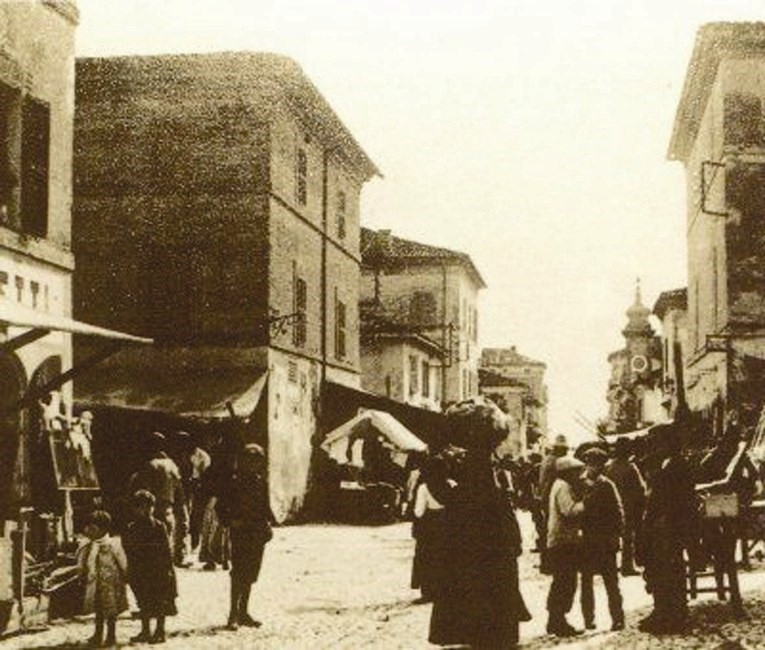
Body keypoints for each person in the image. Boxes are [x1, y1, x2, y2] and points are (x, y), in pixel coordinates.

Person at [429, 397, 530, 648]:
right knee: (494, 599)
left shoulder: (465, 482)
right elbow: (506, 518)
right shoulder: (489, 478)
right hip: (495, 555)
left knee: (472, 594)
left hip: (471, 554)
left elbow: (445, 497)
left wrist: (434, 471)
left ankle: (476, 632)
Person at [639, 424, 697, 634]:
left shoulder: (679, 466)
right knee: (659, 571)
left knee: (670, 571)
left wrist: (663, 520)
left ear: (669, 443)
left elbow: (681, 501)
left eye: (657, 443)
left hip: (671, 528)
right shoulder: (666, 464)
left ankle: (674, 615)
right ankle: (662, 610)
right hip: (662, 527)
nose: (654, 447)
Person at [217, 443, 273, 630]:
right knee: (238, 572)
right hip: (240, 533)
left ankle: (244, 612)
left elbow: (265, 507)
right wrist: (230, 522)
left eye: (256, 461)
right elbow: (220, 507)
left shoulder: (260, 482)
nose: (253, 464)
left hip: (257, 532)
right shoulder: (233, 482)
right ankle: (233, 613)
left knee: (250, 573)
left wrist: (268, 524)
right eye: (249, 460)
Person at [123, 490, 178, 644]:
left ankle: (160, 631)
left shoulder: (159, 526)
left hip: (158, 570)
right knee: (143, 602)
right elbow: (128, 550)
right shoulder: (131, 528)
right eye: (141, 507)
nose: (146, 510)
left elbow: (167, 549)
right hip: (140, 570)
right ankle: (145, 630)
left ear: (153, 508)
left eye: (149, 507)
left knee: (160, 602)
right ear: (135, 509)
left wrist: (168, 570)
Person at [580, 447, 625, 631]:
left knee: (611, 583)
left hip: (605, 540)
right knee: (586, 583)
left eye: (598, 464)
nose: (594, 467)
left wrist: (617, 535)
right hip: (587, 540)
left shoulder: (607, 485)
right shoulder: (579, 484)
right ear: (587, 463)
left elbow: (618, 511)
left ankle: (618, 618)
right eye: (591, 463)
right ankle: (588, 619)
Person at [129, 432, 188, 567]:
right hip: (168, 509)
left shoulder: (150, 466)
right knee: (166, 540)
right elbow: (179, 492)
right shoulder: (172, 465)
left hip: (153, 510)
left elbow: (143, 492)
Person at [546, 456, 585, 637]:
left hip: (561, 540)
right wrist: (587, 502)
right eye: (576, 471)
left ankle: (554, 620)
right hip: (563, 541)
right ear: (568, 472)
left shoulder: (559, 484)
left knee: (561, 581)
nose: (579, 474)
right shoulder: (563, 486)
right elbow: (569, 511)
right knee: (565, 582)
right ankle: (558, 621)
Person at [76, 510, 128, 647]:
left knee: (111, 611)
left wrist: (125, 575)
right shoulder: (88, 545)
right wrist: (81, 574)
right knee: (98, 609)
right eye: (88, 528)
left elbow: (122, 561)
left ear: (103, 529)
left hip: (111, 583)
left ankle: (111, 636)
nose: (89, 531)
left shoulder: (113, 545)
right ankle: (98, 634)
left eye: (93, 529)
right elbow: (84, 562)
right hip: (95, 583)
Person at [411, 454, 452, 603]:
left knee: (426, 558)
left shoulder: (424, 487)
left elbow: (419, 512)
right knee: (445, 557)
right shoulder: (452, 484)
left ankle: (428, 592)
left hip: (429, 528)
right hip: (447, 525)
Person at [605, 438, 646, 575]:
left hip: (611, 507)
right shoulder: (631, 467)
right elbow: (641, 489)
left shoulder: (609, 467)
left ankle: (609, 566)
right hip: (628, 506)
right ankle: (627, 566)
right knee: (628, 538)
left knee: (612, 537)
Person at [538, 434, 569, 572]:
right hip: (553, 497)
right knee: (554, 530)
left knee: (547, 529)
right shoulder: (557, 462)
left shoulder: (547, 460)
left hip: (545, 497)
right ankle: (549, 563)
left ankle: (545, 562)